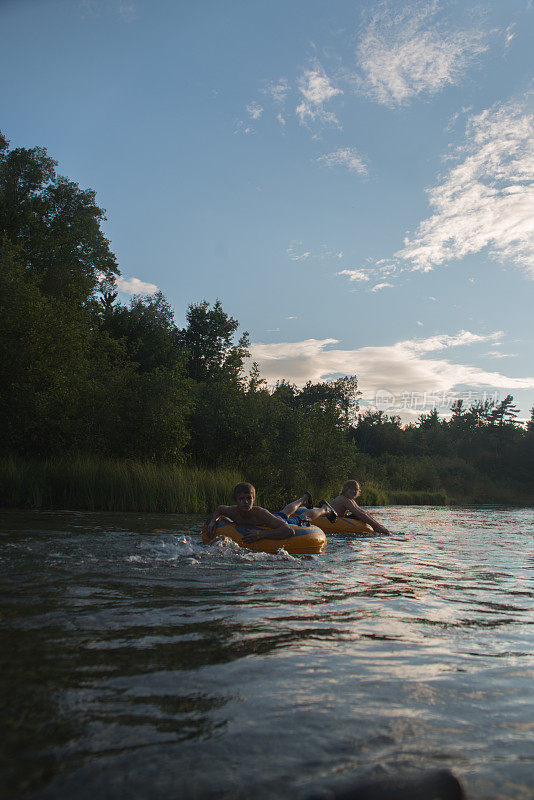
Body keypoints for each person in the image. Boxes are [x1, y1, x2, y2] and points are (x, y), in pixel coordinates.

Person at [206, 484, 337, 544]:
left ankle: (325, 509)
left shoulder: (259, 512)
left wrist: (260, 534)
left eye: (249, 498)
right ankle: (303, 499)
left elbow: (289, 531)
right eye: (241, 499)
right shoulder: (232, 511)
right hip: (273, 519)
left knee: (303, 517)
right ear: (235, 501)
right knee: (285, 512)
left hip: (281, 524)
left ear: (253, 499)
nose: (246, 502)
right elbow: (219, 509)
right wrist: (213, 521)